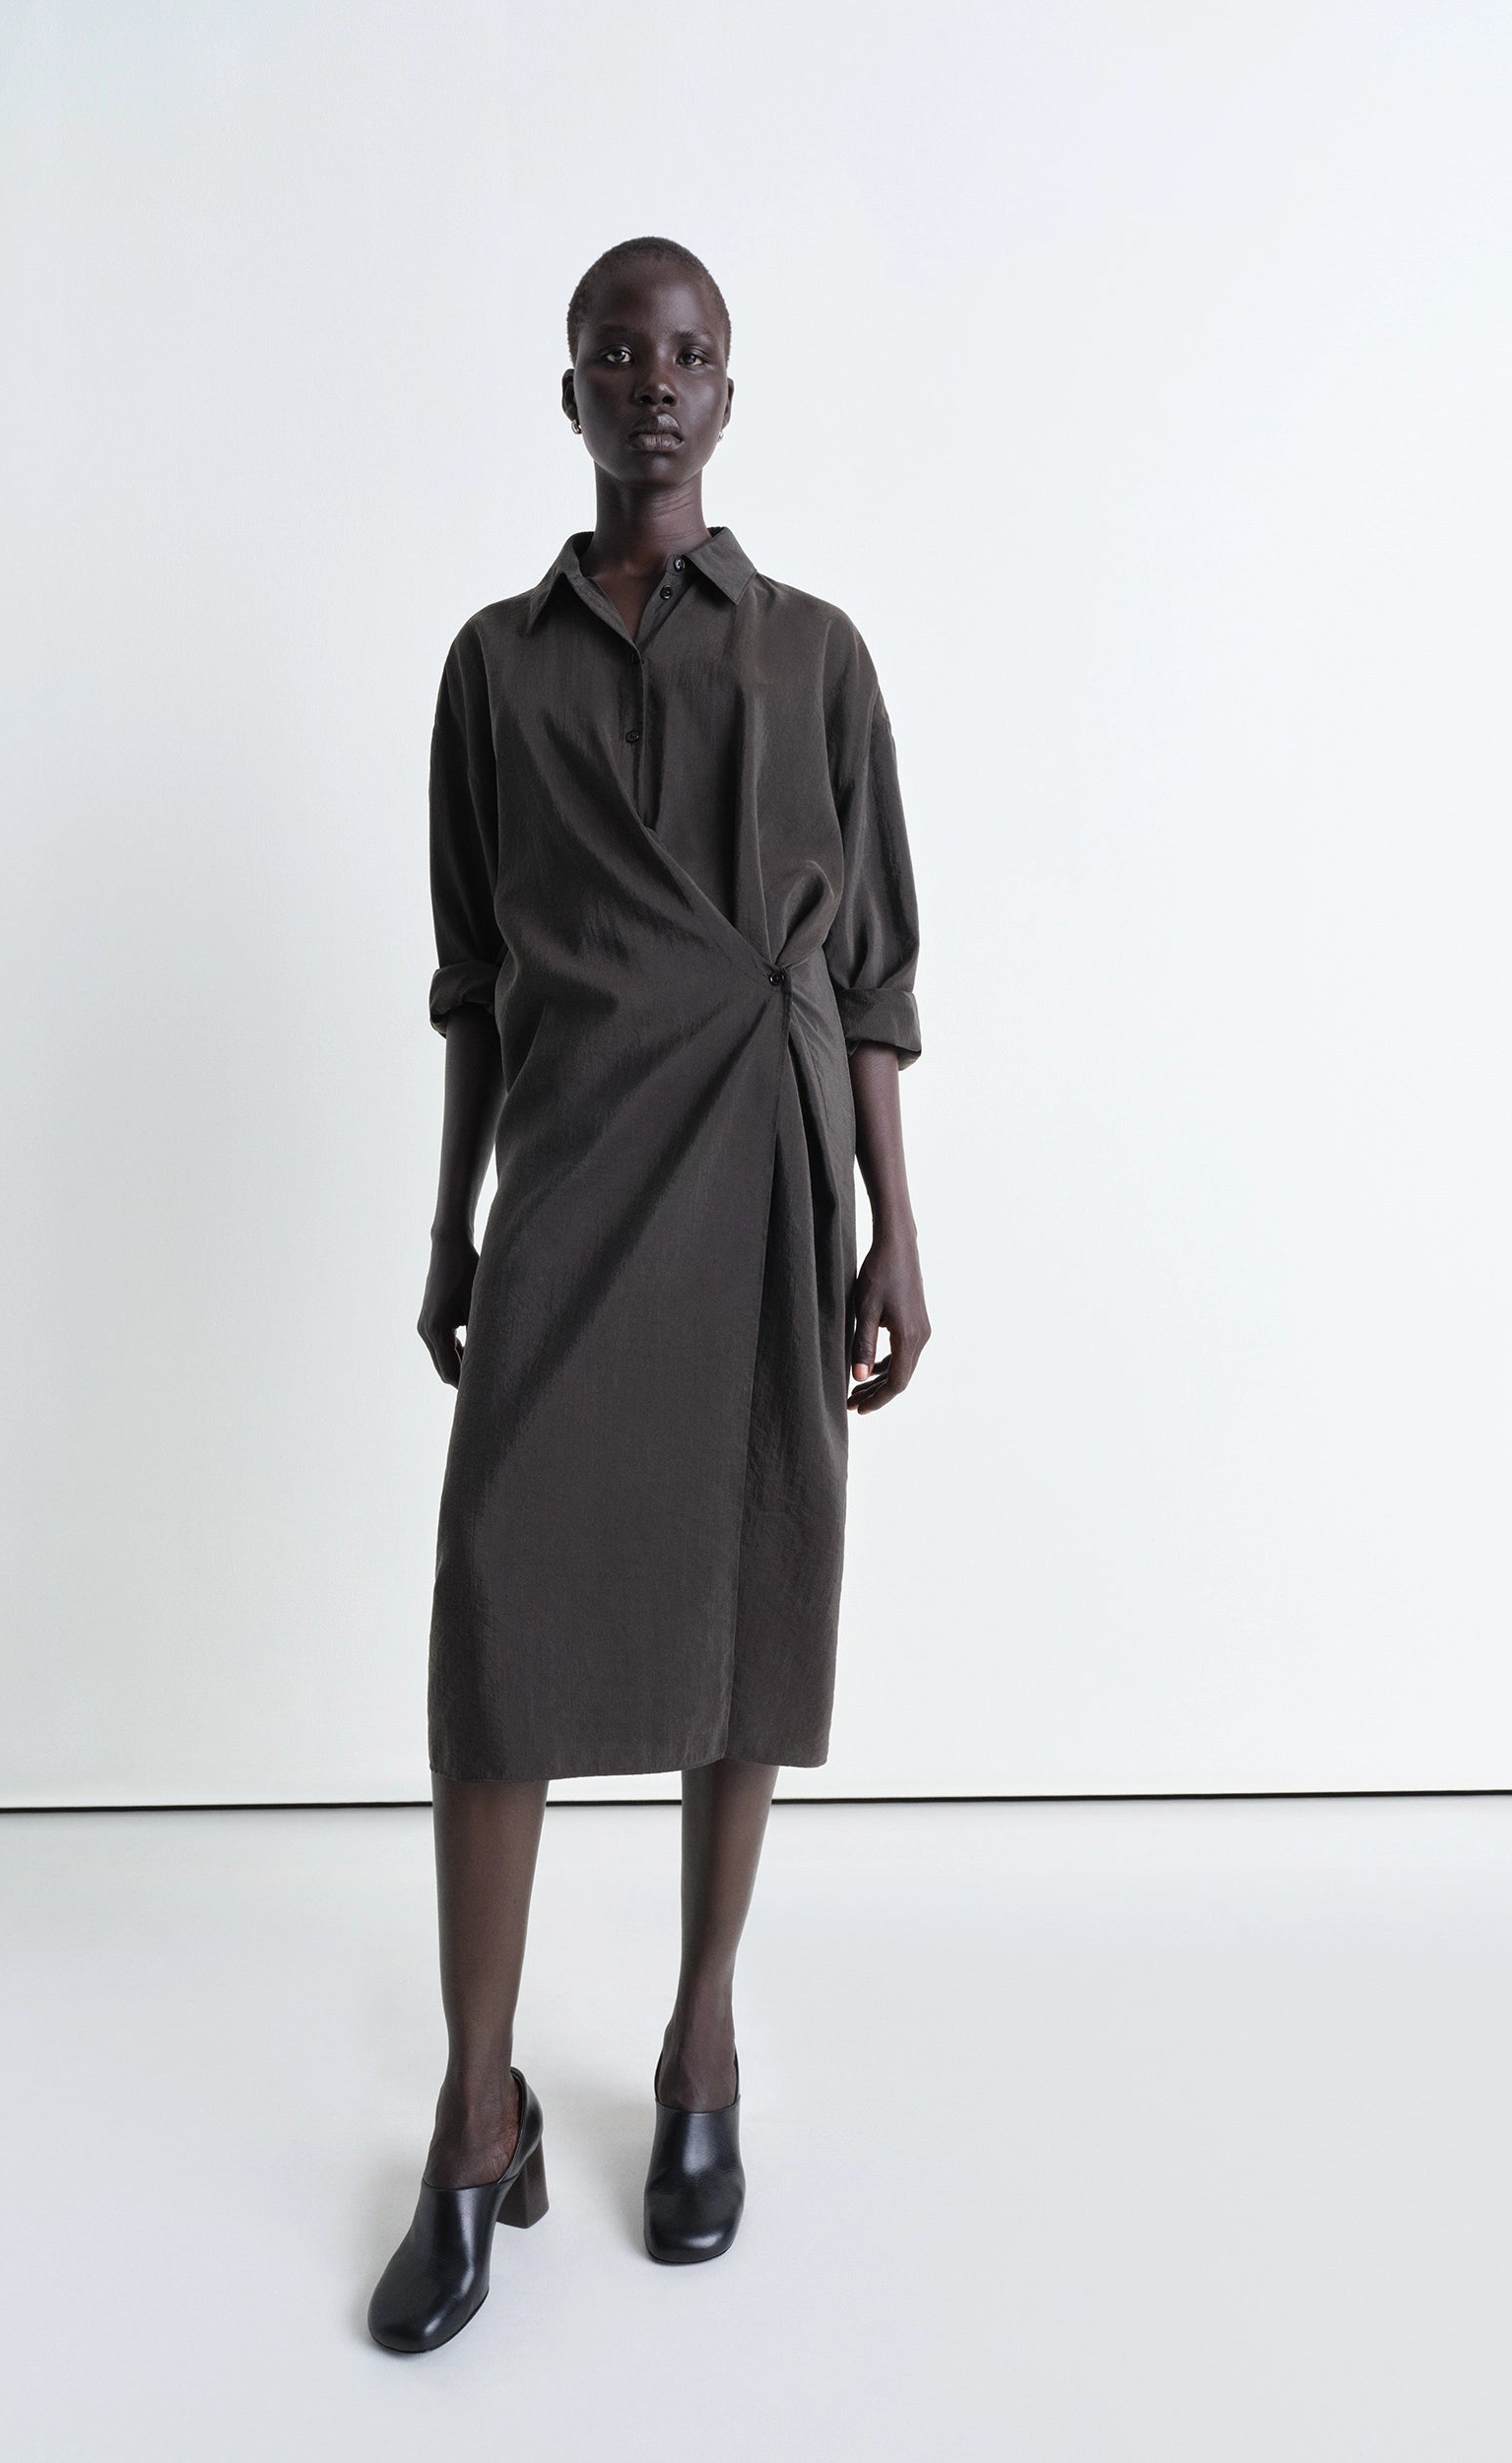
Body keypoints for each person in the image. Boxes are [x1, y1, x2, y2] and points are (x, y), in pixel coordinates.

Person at [368, 235, 928, 2354]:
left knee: (745, 1595)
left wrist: (895, 1224)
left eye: (688, 351)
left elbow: (870, 974)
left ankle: (701, 2044)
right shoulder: (490, 669)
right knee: (496, 1623)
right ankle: (473, 2114)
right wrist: (453, 1225)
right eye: (620, 352)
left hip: (769, 1159)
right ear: (573, 392)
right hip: (575, 1162)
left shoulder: (817, 656)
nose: (656, 382)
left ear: (728, 389)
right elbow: (474, 979)